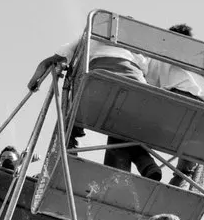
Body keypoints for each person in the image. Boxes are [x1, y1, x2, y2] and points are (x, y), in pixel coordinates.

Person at [27, 33, 162, 182]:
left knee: (70, 123)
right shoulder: (136, 47)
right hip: (137, 89)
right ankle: (146, 165)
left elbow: (49, 62)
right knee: (123, 131)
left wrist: (34, 82)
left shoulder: (91, 35)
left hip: (98, 82)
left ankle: (68, 161)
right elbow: (152, 78)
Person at [146, 24, 204, 189]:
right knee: (187, 168)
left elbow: (150, 83)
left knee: (130, 131)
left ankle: (146, 164)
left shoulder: (162, 57)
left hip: (176, 102)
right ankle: (174, 190)